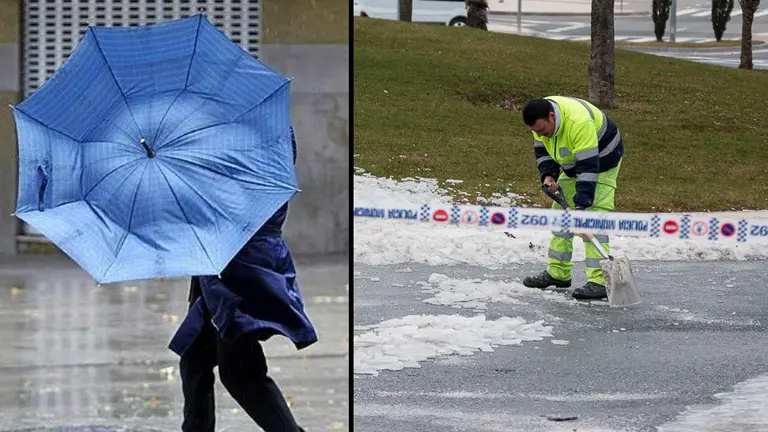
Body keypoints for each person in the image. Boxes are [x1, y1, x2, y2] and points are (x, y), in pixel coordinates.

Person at [168, 127, 317, 432]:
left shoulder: (253, 135)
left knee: (240, 373)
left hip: (237, 269)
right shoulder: (236, 130)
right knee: (195, 360)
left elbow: (232, 196)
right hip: (222, 265)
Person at [520, 96, 624, 300]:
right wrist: (549, 175)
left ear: (552, 116)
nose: (539, 134)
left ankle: (599, 281)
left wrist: (581, 207)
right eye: (535, 132)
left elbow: (588, 168)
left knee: (592, 218)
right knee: (561, 218)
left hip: (602, 159)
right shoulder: (540, 123)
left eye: (542, 130)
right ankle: (558, 274)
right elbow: (544, 151)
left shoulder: (579, 123)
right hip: (573, 162)